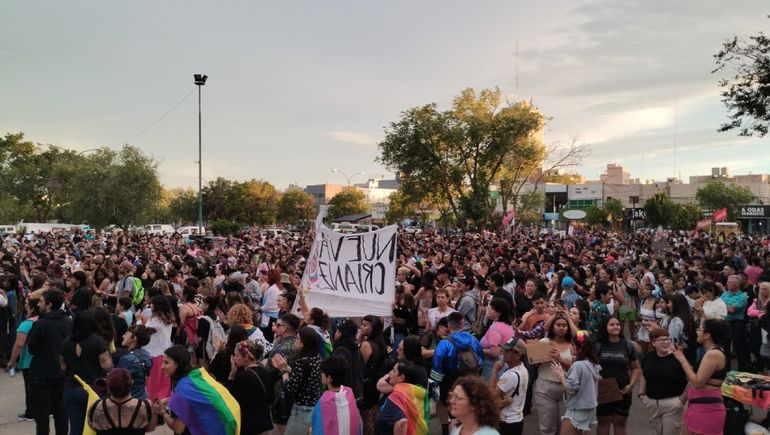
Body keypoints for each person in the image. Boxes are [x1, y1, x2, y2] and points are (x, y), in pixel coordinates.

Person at [155, 345, 240, 435]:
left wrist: (162, 411)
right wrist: (172, 400)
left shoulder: (182, 389)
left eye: (166, 363)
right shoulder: (198, 375)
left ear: (178, 364)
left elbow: (178, 428)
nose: (162, 366)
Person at [27, 288, 73, 435]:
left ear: (49, 304)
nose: (38, 304)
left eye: (41, 301)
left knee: (42, 416)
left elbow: (32, 348)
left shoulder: (40, 324)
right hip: (63, 374)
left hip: (42, 375)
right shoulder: (68, 322)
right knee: (61, 412)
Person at [673, 319, 730, 435]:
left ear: (707, 335)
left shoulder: (713, 354)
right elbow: (694, 376)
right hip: (699, 404)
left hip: (707, 408)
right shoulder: (709, 352)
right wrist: (682, 356)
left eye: (700, 329)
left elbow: (698, 382)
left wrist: (682, 359)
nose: (697, 331)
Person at [61, 309, 113, 435]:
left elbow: (62, 366)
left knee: (75, 427)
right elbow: (106, 365)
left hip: (71, 387)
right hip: (93, 388)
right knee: (96, 427)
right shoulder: (98, 341)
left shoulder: (67, 342)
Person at [430, 312, 484, 435]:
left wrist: (435, 386)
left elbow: (437, 365)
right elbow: (480, 360)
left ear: (449, 325)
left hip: (450, 382)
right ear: (462, 323)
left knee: (453, 410)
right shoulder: (473, 339)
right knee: (469, 409)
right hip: (472, 379)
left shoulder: (445, 343)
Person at [271, 326, 322, 435]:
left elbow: (290, 388)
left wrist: (283, 370)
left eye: (298, 339)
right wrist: (287, 368)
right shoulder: (316, 358)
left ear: (303, 343)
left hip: (301, 410)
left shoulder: (302, 362)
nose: (295, 341)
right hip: (313, 407)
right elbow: (302, 378)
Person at [595, 316, 640, 435]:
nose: (616, 327)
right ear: (605, 327)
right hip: (603, 390)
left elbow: (635, 367)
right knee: (603, 422)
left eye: (617, 324)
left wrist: (631, 385)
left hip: (623, 391)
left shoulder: (628, 345)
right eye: (612, 324)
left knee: (620, 422)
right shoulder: (598, 345)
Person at [637, 328, 687, 435]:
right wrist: (641, 394)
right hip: (652, 404)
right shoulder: (649, 356)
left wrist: (682, 400)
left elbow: (691, 380)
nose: (666, 342)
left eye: (667, 339)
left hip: (673, 404)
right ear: (653, 343)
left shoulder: (678, 357)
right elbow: (645, 373)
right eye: (662, 340)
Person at [532, 311, 574, 435]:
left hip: (567, 389)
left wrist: (559, 358)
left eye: (564, 325)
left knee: (566, 427)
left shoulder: (573, 345)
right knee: (547, 426)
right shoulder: (544, 342)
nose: (561, 328)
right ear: (552, 327)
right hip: (545, 387)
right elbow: (534, 363)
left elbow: (577, 366)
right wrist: (542, 355)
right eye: (558, 325)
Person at [550, 333, 602, 435]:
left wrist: (561, 375)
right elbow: (583, 381)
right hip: (589, 408)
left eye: (573, 345)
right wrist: (565, 374)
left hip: (577, 408)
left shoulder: (578, 365)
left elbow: (571, 388)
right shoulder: (591, 363)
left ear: (580, 349)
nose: (570, 347)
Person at [87, 368, 157, 435]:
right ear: (131, 383)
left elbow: (93, 427)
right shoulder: (145, 405)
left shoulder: (96, 406)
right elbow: (151, 428)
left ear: (108, 386)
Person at [226, 340, 274, 435]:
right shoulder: (265, 372)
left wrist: (231, 375)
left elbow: (229, 399)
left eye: (236, 355)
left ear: (246, 357)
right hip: (265, 423)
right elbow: (271, 398)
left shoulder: (243, 376)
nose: (234, 358)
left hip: (248, 425)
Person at [6, 295, 40, 422]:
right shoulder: (44, 321)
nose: (25, 305)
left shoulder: (26, 324)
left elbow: (19, 344)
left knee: (30, 388)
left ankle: (30, 412)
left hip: (29, 361)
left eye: (27, 303)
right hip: (43, 360)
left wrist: (12, 361)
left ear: (31, 308)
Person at [374, 361, 429, 435]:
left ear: (401, 377)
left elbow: (401, 423)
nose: (390, 373)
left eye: (394, 371)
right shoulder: (417, 394)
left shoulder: (397, 397)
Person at [311, 356, 362, 435]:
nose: (321, 374)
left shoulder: (324, 402)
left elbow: (318, 427)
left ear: (329, 378)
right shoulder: (349, 393)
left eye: (322, 372)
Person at [491, 337, 529, 435]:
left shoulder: (511, 375)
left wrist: (495, 371)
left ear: (518, 355)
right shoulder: (523, 369)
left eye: (508, 351)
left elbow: (491, 397)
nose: (504, 352)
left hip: (507, 423)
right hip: (516, 420)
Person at [142, 295, 175, 400]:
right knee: (164, 382)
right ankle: (163, 402)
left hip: (153, 353)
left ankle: (151, 403)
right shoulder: (168, 318)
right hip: (165, 352)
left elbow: (145, 332)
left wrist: (140, 321)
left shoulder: (155, 320)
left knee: (152, 382)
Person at [479, 298, 515, 380]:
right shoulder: (507, 325)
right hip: (503, 364)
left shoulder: (495, 328)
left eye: (492, 309)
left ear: (499, 313)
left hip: (492, 367)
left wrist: (479, 349)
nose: (488, 310)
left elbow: (494, 352)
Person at [722, 274, 750, 371]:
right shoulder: (725, 294)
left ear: (738, 284)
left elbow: (731, 310)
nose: (727, 283)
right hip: (725, 323)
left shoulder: (742, 296)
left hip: (737, 323)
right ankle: (726, 370)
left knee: (739, 348)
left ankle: (742, 370)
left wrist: (721, 304)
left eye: (730, 282)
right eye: (728, 282)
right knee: (725, 347)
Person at [118, 325, 153, 400]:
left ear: (134, 338)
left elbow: (120, 384)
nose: (123, 336)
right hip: (143, 396)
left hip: (130, 399)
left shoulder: (126, 360)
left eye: (127, 333)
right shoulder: (147, 355)